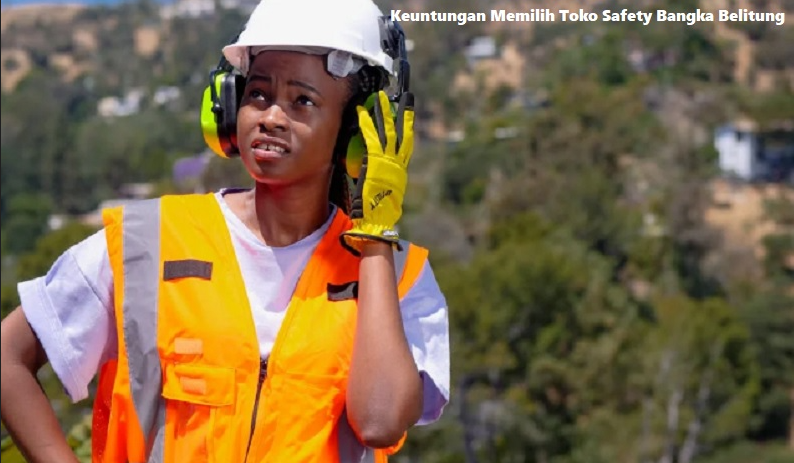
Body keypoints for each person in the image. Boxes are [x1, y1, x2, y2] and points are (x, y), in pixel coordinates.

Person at [0, 0, 451, 461]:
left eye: (303, 101)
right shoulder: (146, 244)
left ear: (357, 130)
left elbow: (379, 422)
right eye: (258, 94)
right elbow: (6, 358)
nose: (271, 116)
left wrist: (374, 239)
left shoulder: (400, 277)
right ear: (229, 107)